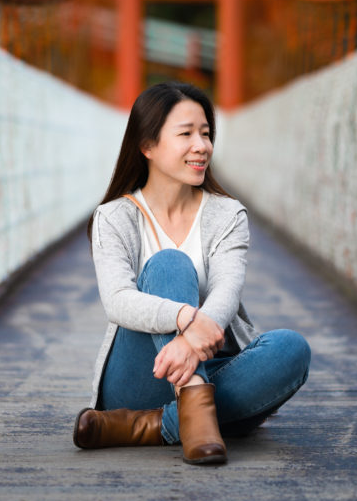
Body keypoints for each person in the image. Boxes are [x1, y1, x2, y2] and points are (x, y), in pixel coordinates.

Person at [74, 80, 311, 465]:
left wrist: (188, 344)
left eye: (206, 133)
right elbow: (117, 301)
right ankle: (199, 401)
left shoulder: (226, 214)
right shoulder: (115, 217)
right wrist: (184, 317)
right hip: (139, 378)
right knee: (171, 263)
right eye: (186, 134)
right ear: (147, 146)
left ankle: (149, 426)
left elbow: (226, 294)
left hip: (210, 361)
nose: (202, 146)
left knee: (291, 349)